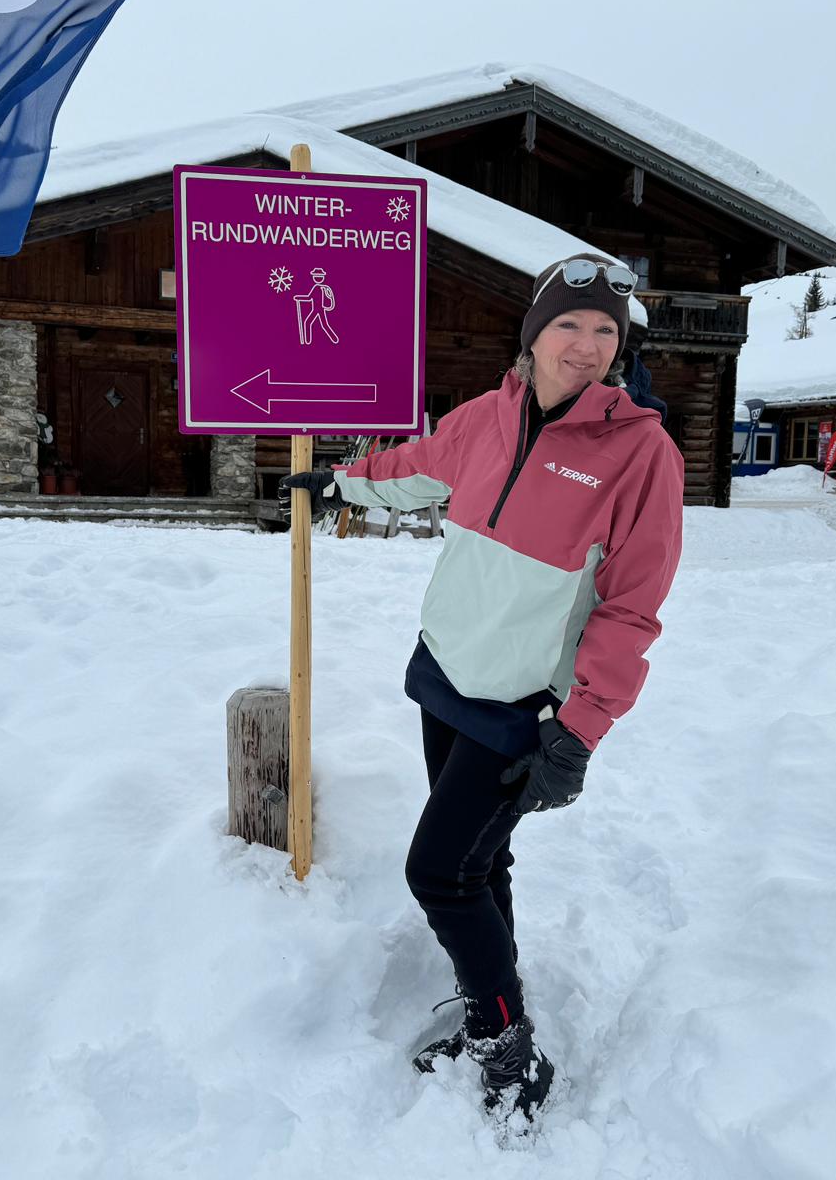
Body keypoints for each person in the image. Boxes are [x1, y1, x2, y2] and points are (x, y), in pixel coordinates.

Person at [280, 253, 684, 1124]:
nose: (586, 346)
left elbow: (633, 605)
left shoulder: (639, 451)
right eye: (569, 325)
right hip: (448, 671)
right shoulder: (489, 417)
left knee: (438, 873)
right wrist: (338, 484)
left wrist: (578, 730)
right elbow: (417, 467)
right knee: (479, 860)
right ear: (534, 334)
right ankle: (490, 998)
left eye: (606, 331)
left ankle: (507, 1046)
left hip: (525, 705)